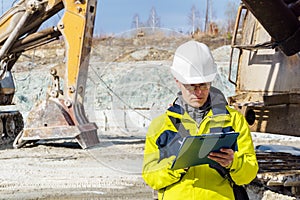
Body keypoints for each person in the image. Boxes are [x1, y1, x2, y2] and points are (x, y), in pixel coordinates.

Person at [142, 40, 258, 200]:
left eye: (203, 85)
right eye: (191, 86)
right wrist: (176, 166)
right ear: (177, 81)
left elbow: (249, 173)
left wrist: (234, 162)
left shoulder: (234, 121)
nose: (198, 92)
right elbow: (150, 176)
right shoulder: (161, 125)